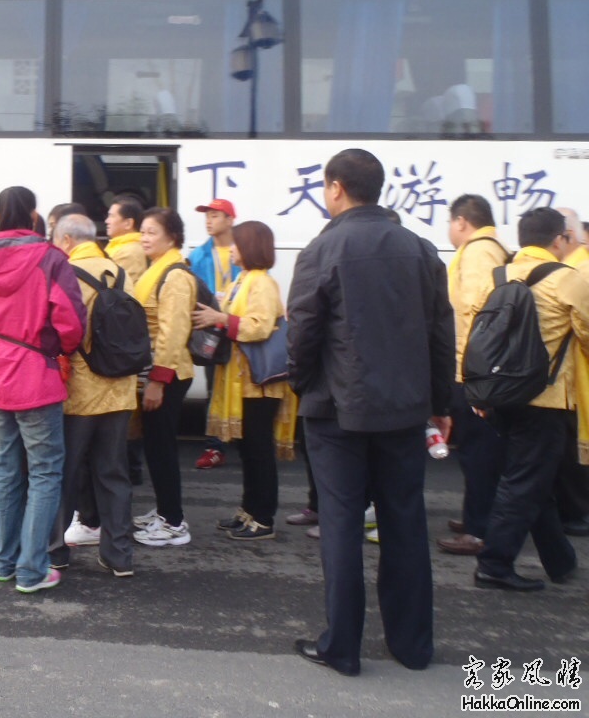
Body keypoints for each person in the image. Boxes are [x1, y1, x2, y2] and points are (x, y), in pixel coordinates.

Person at [287, 148, 453, 676]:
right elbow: (439, 335)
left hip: (336, 410)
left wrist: (304, 386)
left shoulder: (322, 249)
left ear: (336, 188)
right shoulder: (421, 249)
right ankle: (412, 647)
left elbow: (303, 333)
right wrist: (441, 405)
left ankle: (343, 647)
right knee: (404, 523)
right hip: (404, 411)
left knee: (340, 525)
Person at [0, 186, 86, 593]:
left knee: (3, 470)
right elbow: (71, 322)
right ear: (33, 215)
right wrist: (58, 347)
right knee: (44, 471)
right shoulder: (50, 258)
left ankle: (4, 563)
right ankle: (33, 568)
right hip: (35, 374)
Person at [475, 206, 586, 592]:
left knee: (533, 478)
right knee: (524, 481)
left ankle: (560, 560)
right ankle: (494, 563)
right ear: (559, 240)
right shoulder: (566, 279)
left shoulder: (499, 274)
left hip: (502, 393)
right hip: (546, 398)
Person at [193, 220, 295, 542]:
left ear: (249, 246)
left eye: (236, 244)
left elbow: (259, 327)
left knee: (258, 449)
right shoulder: (245, 279)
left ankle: (263, 518)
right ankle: (249, 511)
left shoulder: (261, 283)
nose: (231, 249)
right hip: (245, 379)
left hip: (259, 381)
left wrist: (221, 318)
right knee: (249, 449)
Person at [47, 214, 137, 577]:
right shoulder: (121, 272)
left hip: (79, 393)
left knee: (64, 472)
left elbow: (61, 331)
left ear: (67, 239)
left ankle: (55, 551)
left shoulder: (65, 272)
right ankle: (119, 557)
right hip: (120, 390)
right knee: (114, 473)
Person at [437, 194, 509, 557]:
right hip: (476, 369)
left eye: (451, 223)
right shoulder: (488, 248)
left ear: (462, 222)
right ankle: (477, 518)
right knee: (475, 450)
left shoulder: (478, 251)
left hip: (475, 372)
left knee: (478, 453)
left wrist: (472, 373)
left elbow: (480, 313)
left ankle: (479, 530)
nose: (450, 230)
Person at [132, 207, 197, 548]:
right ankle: (164, 511)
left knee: (162, 448)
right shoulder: (157, 269)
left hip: (167, 373)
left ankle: (173, 523)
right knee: (156, 447)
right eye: (142, 231)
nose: (144, 237)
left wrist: (157, 381)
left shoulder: (175, 276)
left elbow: (173, 334)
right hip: (156, 370)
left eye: (152, 232)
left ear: (172, 237)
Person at [190, 198, 240, 470]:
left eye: (215, 215)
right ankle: (214, 446)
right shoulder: (198, 255)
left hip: (237, 326)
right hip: (213, 330)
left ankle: (243, 441)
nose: (209, 220)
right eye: (207, 215)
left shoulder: (244, 250)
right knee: (214, 388)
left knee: (243, 387)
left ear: (230, 219)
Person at [554, 208, 589, 538]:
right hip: (573, 376)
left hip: (578, 375)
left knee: (574, 449)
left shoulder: (578, 271)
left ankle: (578, 513)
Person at [105, 195, 148, 284]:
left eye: (112, 216)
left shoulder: (130, 253)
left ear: (128, 223)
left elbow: (115, 288)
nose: (107, 221)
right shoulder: (119, 246)